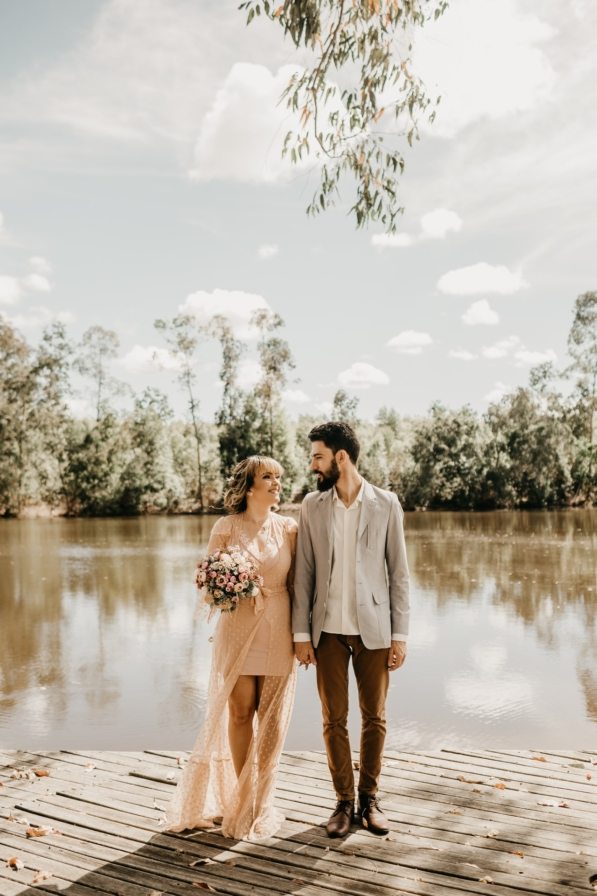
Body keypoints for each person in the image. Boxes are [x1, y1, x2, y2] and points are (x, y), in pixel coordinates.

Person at [164, 456, 297, 841]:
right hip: (238, 628)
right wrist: (225, 583)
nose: (275, 483)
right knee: (241, 712)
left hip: (280, 626)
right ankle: (243, 794)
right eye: (267, 477)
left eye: (278, 477)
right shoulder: (226, 526)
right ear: (249, 486)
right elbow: (204, 581)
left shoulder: (288, 528)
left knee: (270, 719)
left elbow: (303, 583)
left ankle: (261, 800)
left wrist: (305, 637)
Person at [293, 422, 409, 838]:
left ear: (341, 457)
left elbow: (399, 573)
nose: (312, 465)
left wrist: (400, 635)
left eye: (318, 456)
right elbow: (303, 573)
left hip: (374, 630)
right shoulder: (311, 506)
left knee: (375, 718)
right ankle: (343, 802)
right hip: (325, 632)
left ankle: (370, 799)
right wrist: (300, 635)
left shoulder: (387, 504)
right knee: (333, 720)